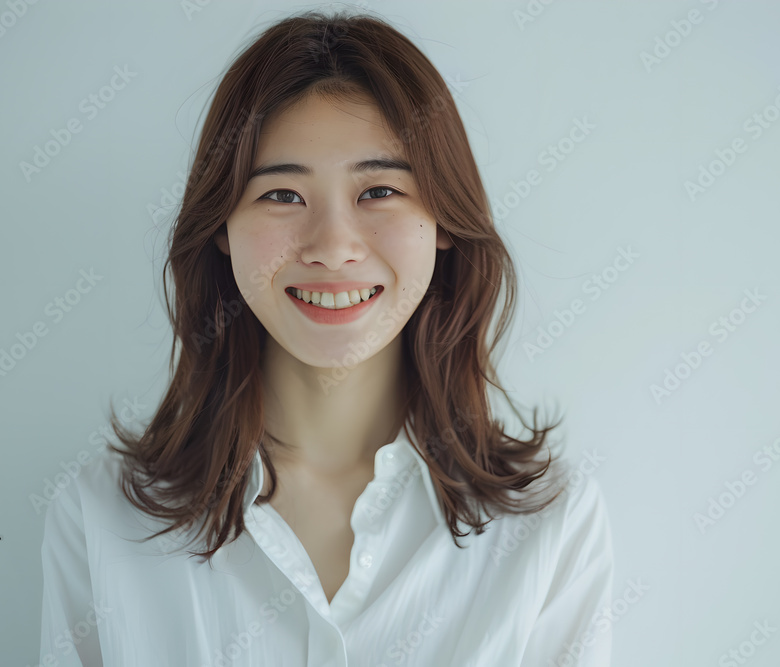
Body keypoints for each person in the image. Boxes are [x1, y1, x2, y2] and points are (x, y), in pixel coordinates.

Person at [39, 10, 614, 666]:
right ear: (222, 229)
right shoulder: (99, 519)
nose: (333, 247)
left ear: (444, 222)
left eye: (379, 190)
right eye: (283, 194)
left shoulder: (549, 525)